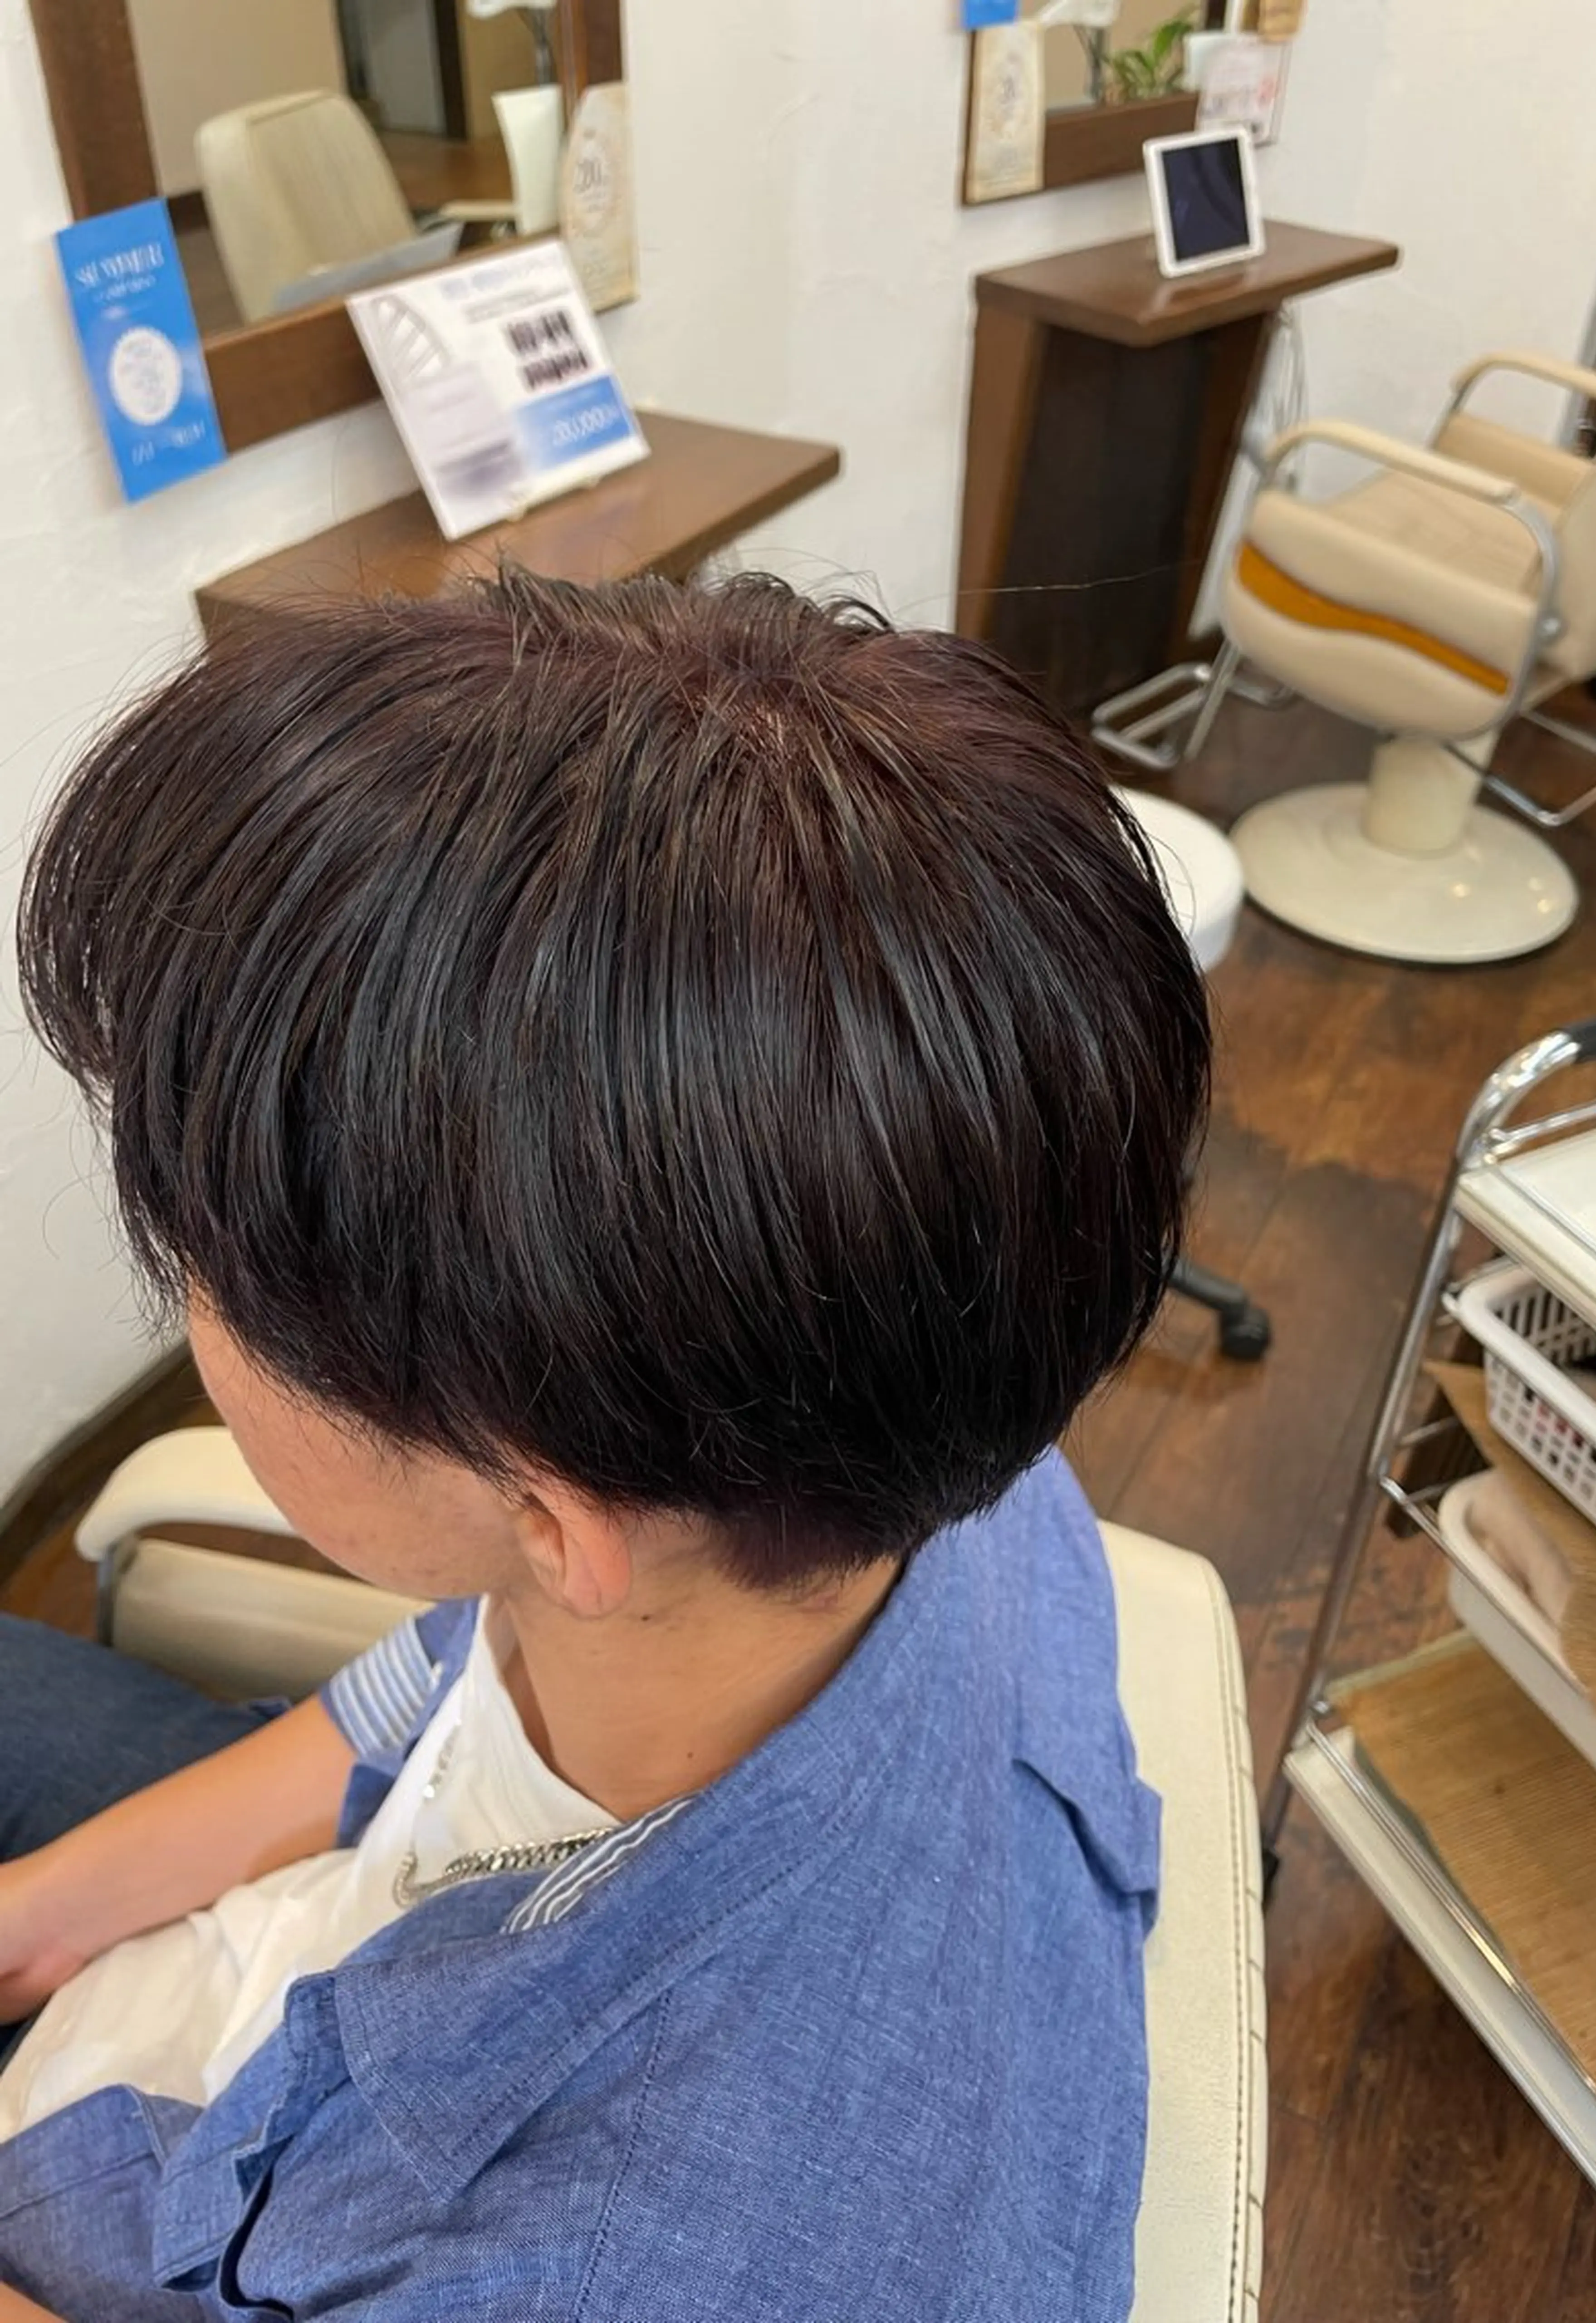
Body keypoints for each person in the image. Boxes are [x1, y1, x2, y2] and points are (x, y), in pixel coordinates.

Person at [0, 572, 1209, 2322]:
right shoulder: (903, 1392)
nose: (189, 1302)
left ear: (549, 1517)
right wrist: (38, 1917)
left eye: (210, 1265)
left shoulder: (631, 2260)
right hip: (339, 1930)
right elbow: (437, 1701)